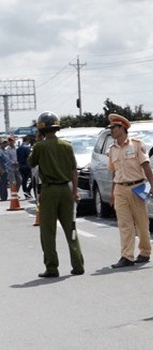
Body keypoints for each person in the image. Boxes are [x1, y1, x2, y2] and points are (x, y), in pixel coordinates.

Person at [27, 112, 84, 278]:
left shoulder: (40, 146)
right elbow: (74, 170)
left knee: (48, 231)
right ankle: (78, 265)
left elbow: (31, 163)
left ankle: (52, 268)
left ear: (41, 129)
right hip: (66, 190)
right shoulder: (67, 145)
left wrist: (38, 141)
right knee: (71, 228)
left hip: (49, 190)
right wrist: (75, 191)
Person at [107, 113, 153, 269]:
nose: (111, 131)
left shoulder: (136, 145)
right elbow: (114, 172)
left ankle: (144, 251)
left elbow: (146, 166)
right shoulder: (112, 149)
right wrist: (112, 193)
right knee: (124, 224)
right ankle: (127, 256)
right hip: (120, 189)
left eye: (113, 128)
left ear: (122, 128)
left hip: (137, 187)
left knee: (141, 223)